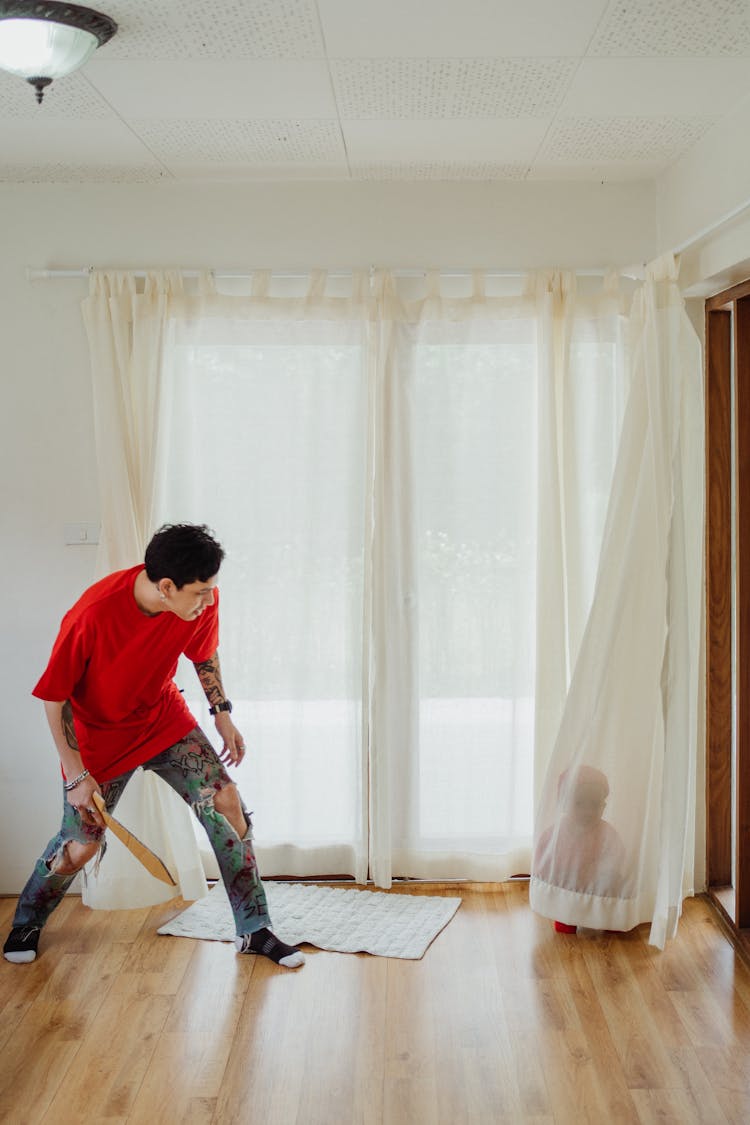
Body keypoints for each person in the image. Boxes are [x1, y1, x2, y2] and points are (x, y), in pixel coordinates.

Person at [3, 523, 304, 969]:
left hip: (164, 720)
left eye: (210, 590)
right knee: (81, 844)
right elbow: (55, 698)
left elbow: (203, 652)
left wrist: (221, 713)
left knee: (226, 801)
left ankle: (254, 929)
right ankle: (26, 920)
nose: (208, 600)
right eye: (199, 592)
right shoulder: (92, 614)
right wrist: (76, 774)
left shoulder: (200, 602)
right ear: (166, 586)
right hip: (99, 741)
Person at [533, 764, 627, 933]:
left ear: (603, 806)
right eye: (579, 804)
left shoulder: (606, 833)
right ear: (564, 804)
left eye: (594, 804)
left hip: (598, 885)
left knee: (616, 884)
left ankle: (611, 920)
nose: (587, 811)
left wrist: (605, 871)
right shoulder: (556, 834)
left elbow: (617, 856)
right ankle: (566, 920)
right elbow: (545, 859)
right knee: (564, 893)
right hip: (568, 885)